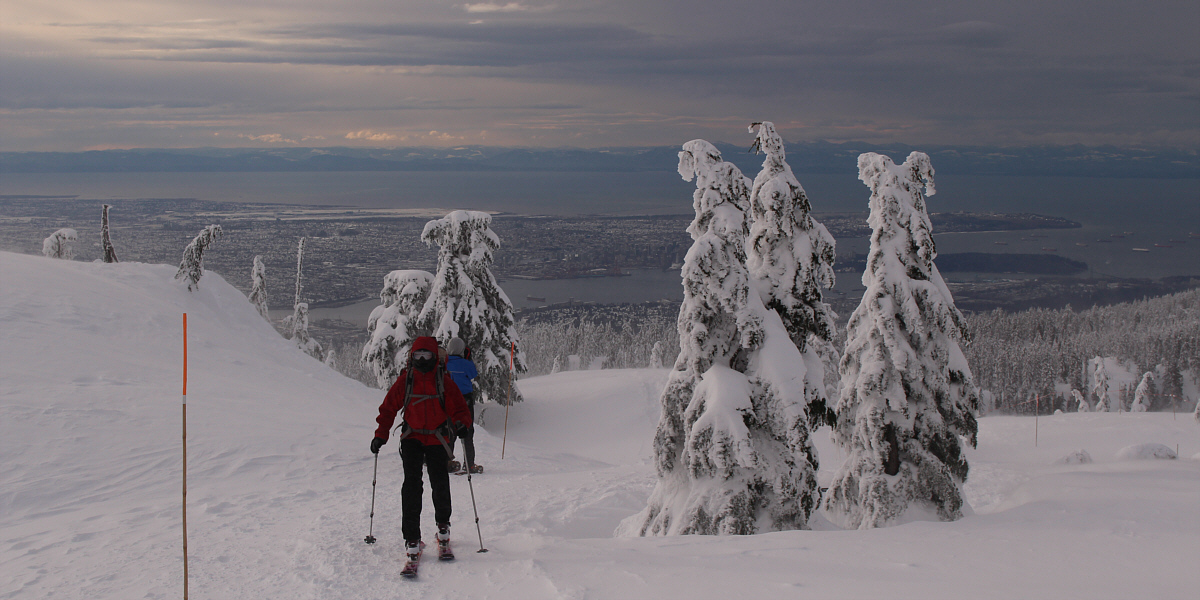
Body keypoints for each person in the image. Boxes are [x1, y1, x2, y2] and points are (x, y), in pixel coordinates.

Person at [370, 336, 472, 559]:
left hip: (436, 439)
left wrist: (462, 424)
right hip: (413, 439)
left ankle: (441, 527)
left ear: (435, 357)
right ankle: (412, 538)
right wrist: (380, 435)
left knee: (438, 483)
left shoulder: (442, 380)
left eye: (427, 355)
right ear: (412, 356)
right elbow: (388, 409)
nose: (422, 360)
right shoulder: (406, 381)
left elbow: (460, 408)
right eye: (418, 355)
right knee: (412, 487)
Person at [445, 337, 482, 474]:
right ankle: (469, 464)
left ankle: (446, 461)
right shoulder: (466, 364)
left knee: (449, 430)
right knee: (467, 429)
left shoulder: (445, 363)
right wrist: (468, 359)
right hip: (464, 399)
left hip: (448, 400)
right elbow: (474, 375)